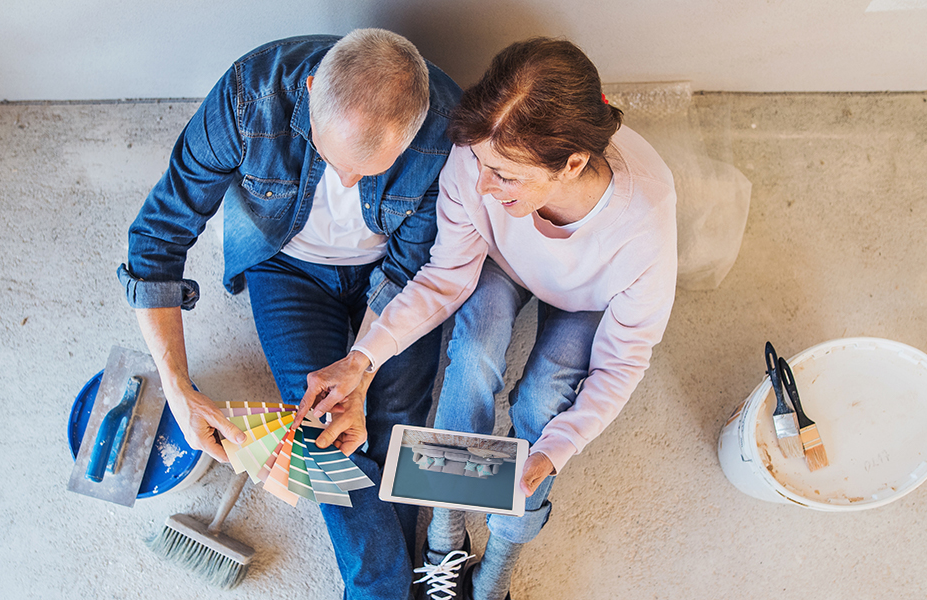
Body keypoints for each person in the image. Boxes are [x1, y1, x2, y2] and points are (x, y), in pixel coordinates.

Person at [299, 38, 678, 600]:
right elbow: (445, 277)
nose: (480, 184)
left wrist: (558, 449)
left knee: (543, 404)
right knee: (473, 354)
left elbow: (623, 361)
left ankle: (501, 556)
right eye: (480, 162)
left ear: (572, 164)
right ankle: (447, 533)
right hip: (500, 261)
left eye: (505, 175)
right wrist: (364, 358)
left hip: (589, 296)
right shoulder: (478, 155)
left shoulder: (641, 229)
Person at [117, 30, 461, 599]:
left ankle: (385, 585)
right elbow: (156, 238)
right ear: (307, 93)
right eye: (334, 159)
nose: (348, 181)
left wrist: (363, 367)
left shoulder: (446, 131)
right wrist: (177, 387)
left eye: (371, 170)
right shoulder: (247, 99)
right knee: (319, 432)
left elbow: (408, 269)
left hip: (395, 277)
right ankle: (387, 587)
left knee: (395, 420)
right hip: (287, 269)